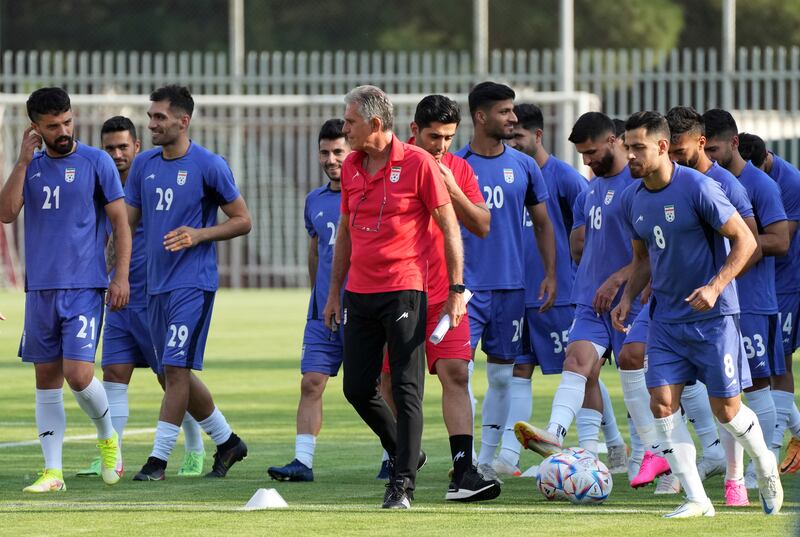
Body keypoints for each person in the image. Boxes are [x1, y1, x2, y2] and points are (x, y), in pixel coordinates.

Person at [613, 110, 783, 518]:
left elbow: (745, 242)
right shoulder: (631, 198)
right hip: (667, 319)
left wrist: (715, 286)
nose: (631, 156)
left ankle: (764, 461)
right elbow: (642, 260)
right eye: (627, 147)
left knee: (726, 409)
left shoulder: (699, 188)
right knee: (662, 403)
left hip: (714, 317)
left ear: (661, 146)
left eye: (638, 147)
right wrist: (627, 297)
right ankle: (696, 499)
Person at [322, 85, 466, 509]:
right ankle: (409, 451)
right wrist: (334, 293)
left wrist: (456, 289)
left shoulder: (419, 163)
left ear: (375, 124)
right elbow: (345, 233)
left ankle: (402, 483)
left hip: (405, 290)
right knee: (356, 387)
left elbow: (449, 227)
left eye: (350, 122)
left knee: (405, 387)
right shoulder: (350, 165)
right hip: (358, 294)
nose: (344, 130)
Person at [0, 87, 131, 492]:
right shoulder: (32, 166)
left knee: (78, 375)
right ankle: (53, 472)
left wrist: (121, 276)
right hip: (40, 289)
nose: (63, 130)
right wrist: (22, 160)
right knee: (46, 380)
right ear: (35, 128)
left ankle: (108, 436)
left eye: (68, 122)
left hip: (84, 287)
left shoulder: (96, 162)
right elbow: (6, 212)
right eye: (53, 125)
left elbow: (121, 224)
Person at [497, 104, 631, 476]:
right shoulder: (590, 190)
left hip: (625, 299)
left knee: (641, 376)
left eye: (591, 152)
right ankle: (562, 440)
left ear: (612, 141)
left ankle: (646, 452)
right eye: (582, 155)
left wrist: (616, 276)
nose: (587, 161)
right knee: (575, 362)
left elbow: (649, 251)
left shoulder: (623, 184)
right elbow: (577, 238)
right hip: (585, 298)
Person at [126, 85, 252, 481]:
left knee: (176, 369)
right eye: (150, 117)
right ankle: (227, 440)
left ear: (184, 121)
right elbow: (125, 226)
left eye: (159, 117)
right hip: (154, 286)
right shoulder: (144, 166)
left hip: (192, 285)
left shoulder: (209, 165)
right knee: (167, 373)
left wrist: (198, 234)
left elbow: (242, 219)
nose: (152, 124)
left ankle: (157, 461)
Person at [377, 94, 500, 501]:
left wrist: (452, 189)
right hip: (399, 293)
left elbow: (482, 224)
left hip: (448, 294)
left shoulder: (459, 169)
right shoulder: (393, 167)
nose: (442, 145)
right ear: (414, 131)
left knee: (456, 373)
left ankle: (463, 470)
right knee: (389, 380)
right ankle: (404, 450)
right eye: (434, 136)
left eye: (449, 137)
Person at [76, 116, 206, 479]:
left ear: (137, 146)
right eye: (110, 148)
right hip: (118, 297)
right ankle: (111, 455)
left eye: (123, 147)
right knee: (114, 373)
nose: (117, 154)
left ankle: (195, 447)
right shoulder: (101, 186)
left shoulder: (151, 183)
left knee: (171, 378)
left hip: (154, 296)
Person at [453, 83, 556, 483]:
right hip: (465, 290)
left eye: (513, 112)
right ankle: (465, 455)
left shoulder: (525, 166)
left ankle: (487, 459)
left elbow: (544, 224)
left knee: (500, 376)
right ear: (480, 117)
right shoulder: (457, 164)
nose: (513, 119)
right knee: (457, 373)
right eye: (505, 112)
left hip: (511, 288)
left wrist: (549, 274)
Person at [703, 109, 789, 491]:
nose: (712, 155)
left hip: (752, 299)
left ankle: (759, 466)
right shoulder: (701, 182)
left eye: (717, 148)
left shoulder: (759, 185)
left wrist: (735, 252)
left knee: (756, 385)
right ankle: (728, 463)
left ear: (735, 143)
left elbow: (780, 240)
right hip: (718, 300)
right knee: (724, 388)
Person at [267, 119, 351, 482]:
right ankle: (303, 462)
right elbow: (316, 251)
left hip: (364, 307)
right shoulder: (314, 200)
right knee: (311, 382)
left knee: (380, 387)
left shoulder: (366, 195)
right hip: (323, 311)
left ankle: (392, 455)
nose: (331, 159)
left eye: (338, 152)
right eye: (325, 152)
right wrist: (318, 295)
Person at [738, 133, 800, 472]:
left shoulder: (789, 181)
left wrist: (737, 240)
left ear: (765, 159)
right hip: (758, 282)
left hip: (787, 282)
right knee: (759, 366)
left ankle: (772, 446)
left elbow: (782, 240)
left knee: (779, 365)